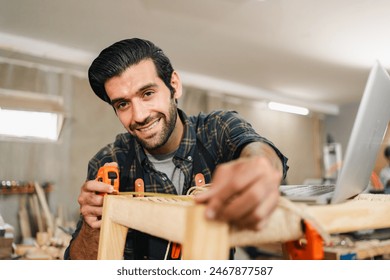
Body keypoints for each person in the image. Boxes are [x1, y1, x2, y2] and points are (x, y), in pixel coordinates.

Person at [64, 38, 289, 260]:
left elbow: (257, 148)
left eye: (147, 93)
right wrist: (92, 227)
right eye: (123, 104)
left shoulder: (217, 130)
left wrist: (258, 164)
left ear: (174, 85)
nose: (140, 115)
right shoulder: (110, 161)